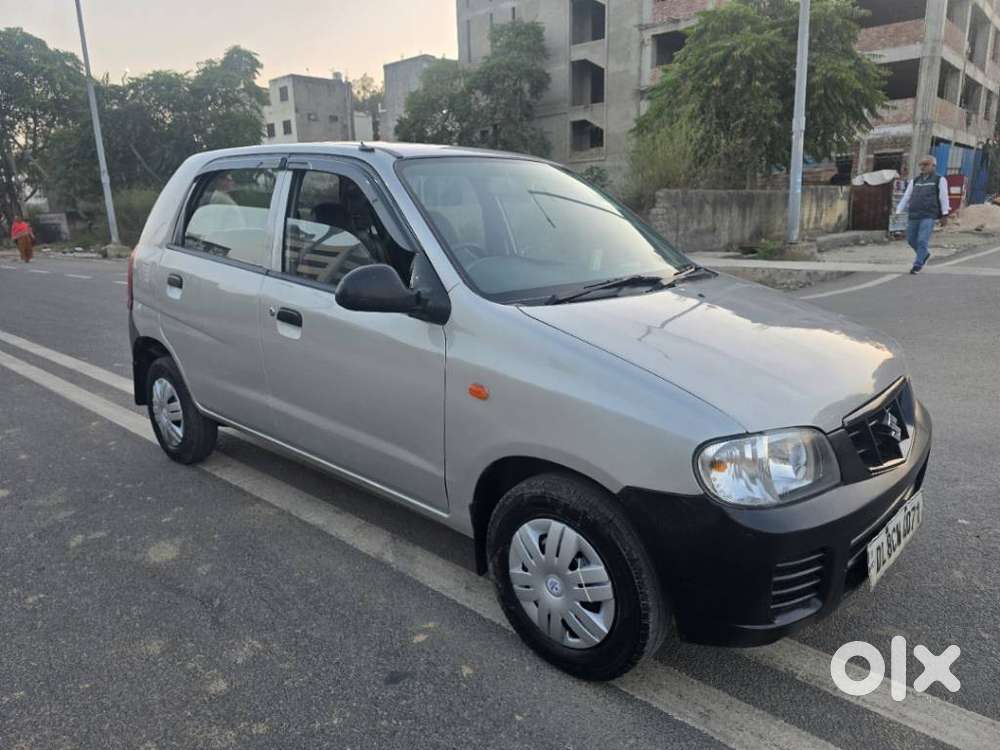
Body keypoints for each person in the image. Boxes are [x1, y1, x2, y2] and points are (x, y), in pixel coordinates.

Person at [895, 155, 949, 274]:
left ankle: (917, 264)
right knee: (910, 239)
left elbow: (943, 197)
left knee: (922, 240)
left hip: (929, 215)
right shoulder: (915, 181)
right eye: (921, 164)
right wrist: (898, 211)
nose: (923, 167)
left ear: (933, 166)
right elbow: (906, 196)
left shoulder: (939, 179)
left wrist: (945, 214)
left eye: (926, 164)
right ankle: (924, 254)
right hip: (914, 214)